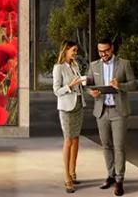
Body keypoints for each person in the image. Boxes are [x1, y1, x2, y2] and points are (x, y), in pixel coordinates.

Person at [88, 37, 136, 196]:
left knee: (119, 146)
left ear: (112, 48)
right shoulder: (93, 65)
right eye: (100, 51)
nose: (103, 54)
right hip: (101, 111)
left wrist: (120, 86)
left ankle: (120, 180)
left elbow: (134, 84)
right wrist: (91, 92)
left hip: (119, 111)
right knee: (106, 145)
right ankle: (110, 175)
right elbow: (87, 85)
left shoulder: (124, 64)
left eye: (106, 51)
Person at [52, 40, 86, 193]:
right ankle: (66, 177)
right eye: (73, 50)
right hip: (66, 108)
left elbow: (78, 84)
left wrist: (82, 82)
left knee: (76, 139)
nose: (75, 53)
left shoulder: (75, 66)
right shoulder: (58, 68)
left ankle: (73, 172)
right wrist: (70, 86)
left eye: (76, 50)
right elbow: (56, 90)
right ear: (65, 50)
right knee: (68, 141)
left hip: (78, 104)